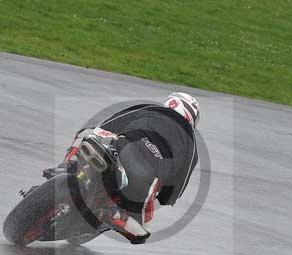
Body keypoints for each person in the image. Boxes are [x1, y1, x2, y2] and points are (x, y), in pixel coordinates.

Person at [43, 92, 200, 244]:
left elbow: (111, 123)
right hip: (147, 177)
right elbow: (176, 189)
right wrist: (164, 197)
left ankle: (67, 166)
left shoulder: (150, 109)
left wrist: (100, 135)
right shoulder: (191, 145)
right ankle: (112, 214)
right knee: (142, 233)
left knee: (87, 133)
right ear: (191, 117)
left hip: (123, 149)